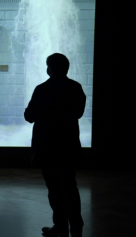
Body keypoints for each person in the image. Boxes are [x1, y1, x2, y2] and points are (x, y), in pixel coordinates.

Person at [24, 53, 86, 237]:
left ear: (49, 69)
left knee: (54, 189)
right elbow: (78, 113)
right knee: (70, 186)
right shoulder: (75, 87)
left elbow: (29, 117)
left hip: (47, 147)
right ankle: (76, 225)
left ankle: (60, 226)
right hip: (68, 145)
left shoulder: (42, 89)